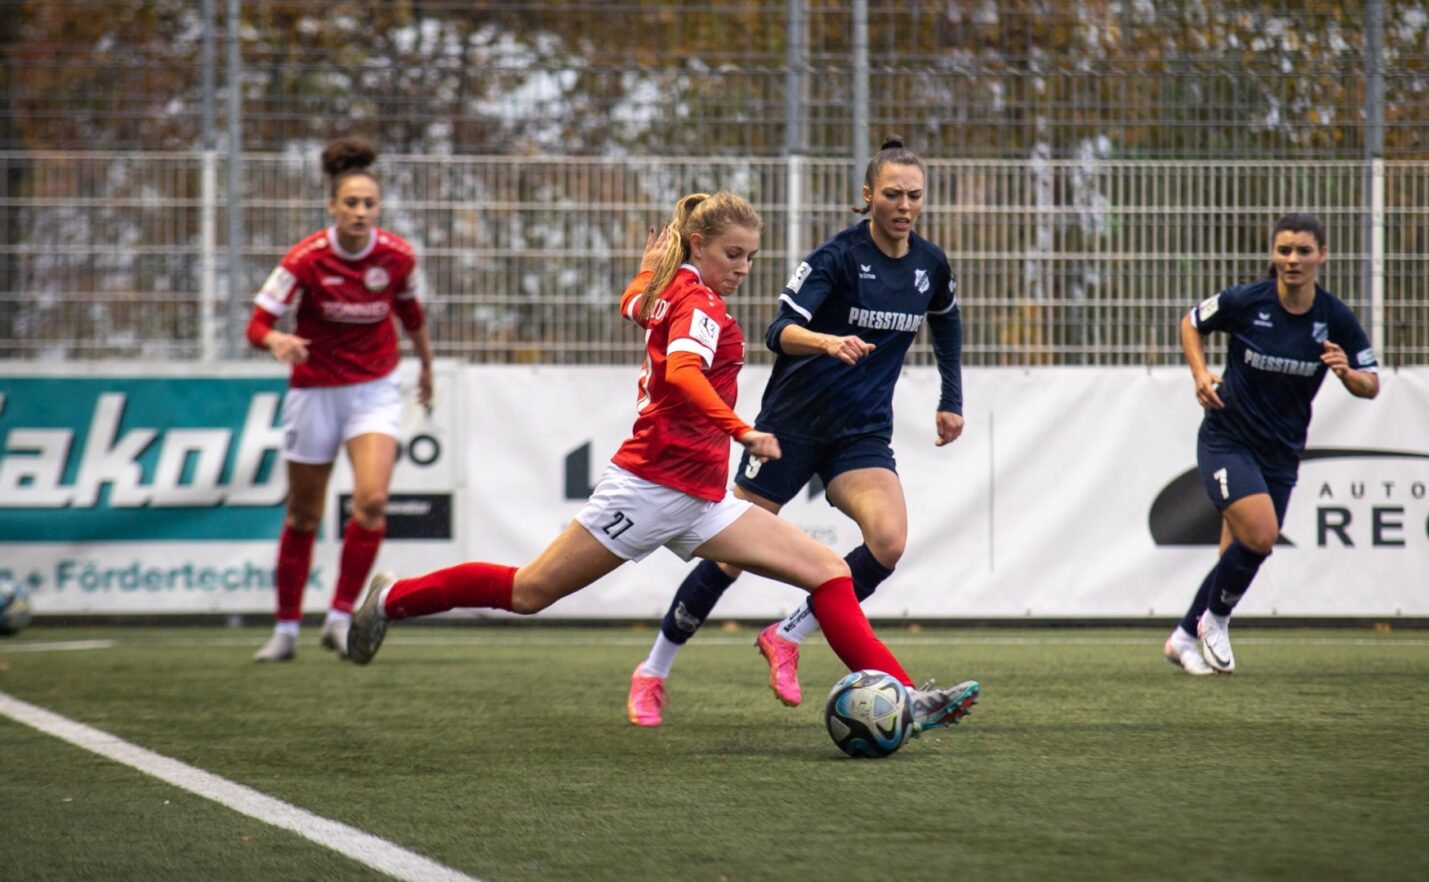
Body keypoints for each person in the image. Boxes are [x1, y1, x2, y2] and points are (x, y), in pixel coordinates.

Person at [345, 191, 980, 737]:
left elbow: (632, 305)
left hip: (703, 499)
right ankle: (393, 599)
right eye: (733, 254)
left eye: (752, 258)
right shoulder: (700, 304)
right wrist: (741, 429)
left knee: (829, 573)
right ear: (699, 244)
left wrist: (649, 274)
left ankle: (908, 697)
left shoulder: (673, 289)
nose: (744, 268)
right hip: (647, 490)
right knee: (529, 591)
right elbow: (681, 374)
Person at [627, 137, 964, 727]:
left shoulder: (930, 265)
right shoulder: (837, 257)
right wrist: (827, 342)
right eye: (893, 194)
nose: (905, 206)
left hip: (861, 434)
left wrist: (951, 399)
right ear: (868, 195)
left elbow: (948, 321)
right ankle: (653, 671)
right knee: (728, 560)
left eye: (914, 195)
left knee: (888, 542)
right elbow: (777, 331)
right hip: (790, 428)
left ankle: (786, 634)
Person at [1165, 212, 1379, 676]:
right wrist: (1199, 373)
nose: (1293, 259)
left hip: (1281, 452)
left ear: (1322, 255)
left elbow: (1371, 384)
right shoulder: (1247, 301)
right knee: (1260, 536)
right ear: (1273, 255)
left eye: (1303, 251)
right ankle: (1214, 621)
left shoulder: (1334, 317)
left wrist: (1347, 374)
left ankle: (1182, 637)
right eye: (1284, 250)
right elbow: (1191, 322)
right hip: (1227, 438)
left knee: (1240, 553)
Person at [248, 137, 434, 662]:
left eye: (368, 203)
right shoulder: (305, 258)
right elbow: (257, 324)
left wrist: (426, 366)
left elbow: (411, 316)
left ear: (378, 208)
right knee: (304, 516)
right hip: (314, 393)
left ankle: (338, 617)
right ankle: (286, 630)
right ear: (332, 206)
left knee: (371, 503)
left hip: (374, 391)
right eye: (350, 202)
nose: (360, 211)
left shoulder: (398, 256)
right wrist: (276, 340)